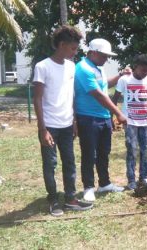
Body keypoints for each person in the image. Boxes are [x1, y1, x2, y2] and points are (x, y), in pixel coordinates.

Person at [33, 25, 93, 216]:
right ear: (61, 45)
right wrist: (43, 130)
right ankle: (53, 200)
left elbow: (71, 95)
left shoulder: (71, 66)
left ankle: (70, 198)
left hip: (67, 124)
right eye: (72, 48)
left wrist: (74, 120)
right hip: (49, 125)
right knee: (50, 164)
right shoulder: (42, 67)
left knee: (69, 162)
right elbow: (37, 99)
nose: (75, 52)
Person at [74, 38, 127, 202]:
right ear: (93, 52)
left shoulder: (98, 68)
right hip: (88, 117)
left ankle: (104, 183)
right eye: (104, 55)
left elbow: (104, 85)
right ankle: (88, 187)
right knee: (89, 153)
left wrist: (119, 75)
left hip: (103, 117)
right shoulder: (82, 68)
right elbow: (98, 94)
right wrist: (118, 112)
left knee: (104, 153)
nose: (107, 59)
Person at [112, 54, 147, 190]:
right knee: (131, 150)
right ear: (135, 67)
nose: (145, 73)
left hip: (145, 122)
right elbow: (114, 99)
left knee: (146, 150)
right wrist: (113, 117)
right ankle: (131, 180)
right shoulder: (124, 80)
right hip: (131, 122)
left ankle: (144, 177)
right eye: (143, 70)